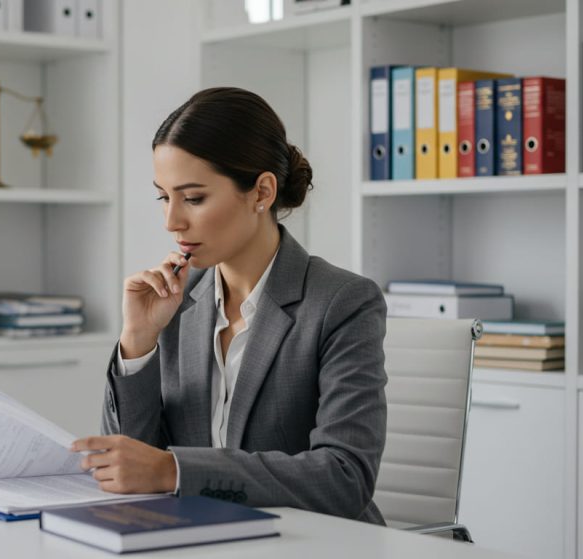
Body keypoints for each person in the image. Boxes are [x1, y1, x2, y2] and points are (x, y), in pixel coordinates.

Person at [69, 87, 388, 524]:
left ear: (261, 192)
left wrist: (175, 470)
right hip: (197, 538)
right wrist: (138, 341)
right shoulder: (174, 300)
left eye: (194, 198)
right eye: (165, 197)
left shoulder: (342, 302)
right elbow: (130, 470)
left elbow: (345, 477)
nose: (171, 221)